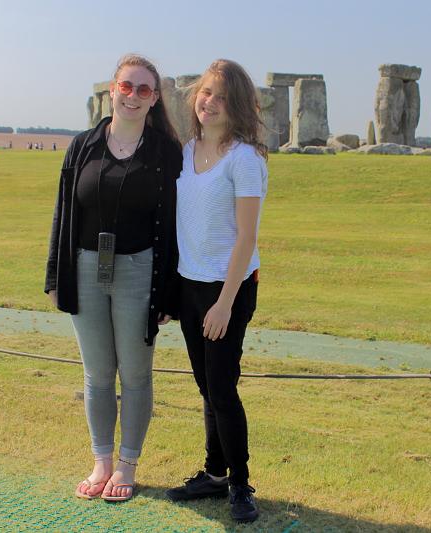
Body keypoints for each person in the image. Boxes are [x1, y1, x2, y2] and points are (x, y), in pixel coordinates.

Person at [45, 54, 182, 502]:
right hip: (85, 266)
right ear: (112, 87)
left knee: (136, 374)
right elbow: (64, 212)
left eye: (144, 90)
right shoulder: (83, 144)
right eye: (127, 86)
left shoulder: (165, 151)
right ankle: (101, 459)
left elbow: (175, 222)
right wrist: (55, 276)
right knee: (97, 374)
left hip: (140, 268)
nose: (133, 96)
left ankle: (127, 462)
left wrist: (169, 292)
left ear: (155, 98)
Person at [165, 59, 268, 524]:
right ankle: (213, 472)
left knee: (222, 389)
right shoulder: (185, 152)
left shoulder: (244, 158)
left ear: (239, 105)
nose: (210, 102)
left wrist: (225, 304)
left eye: (222, 96)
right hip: (189, 286)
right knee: (206, 386)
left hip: (228, 289)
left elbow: (246, 238)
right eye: (206, 92)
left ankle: (240, 484)